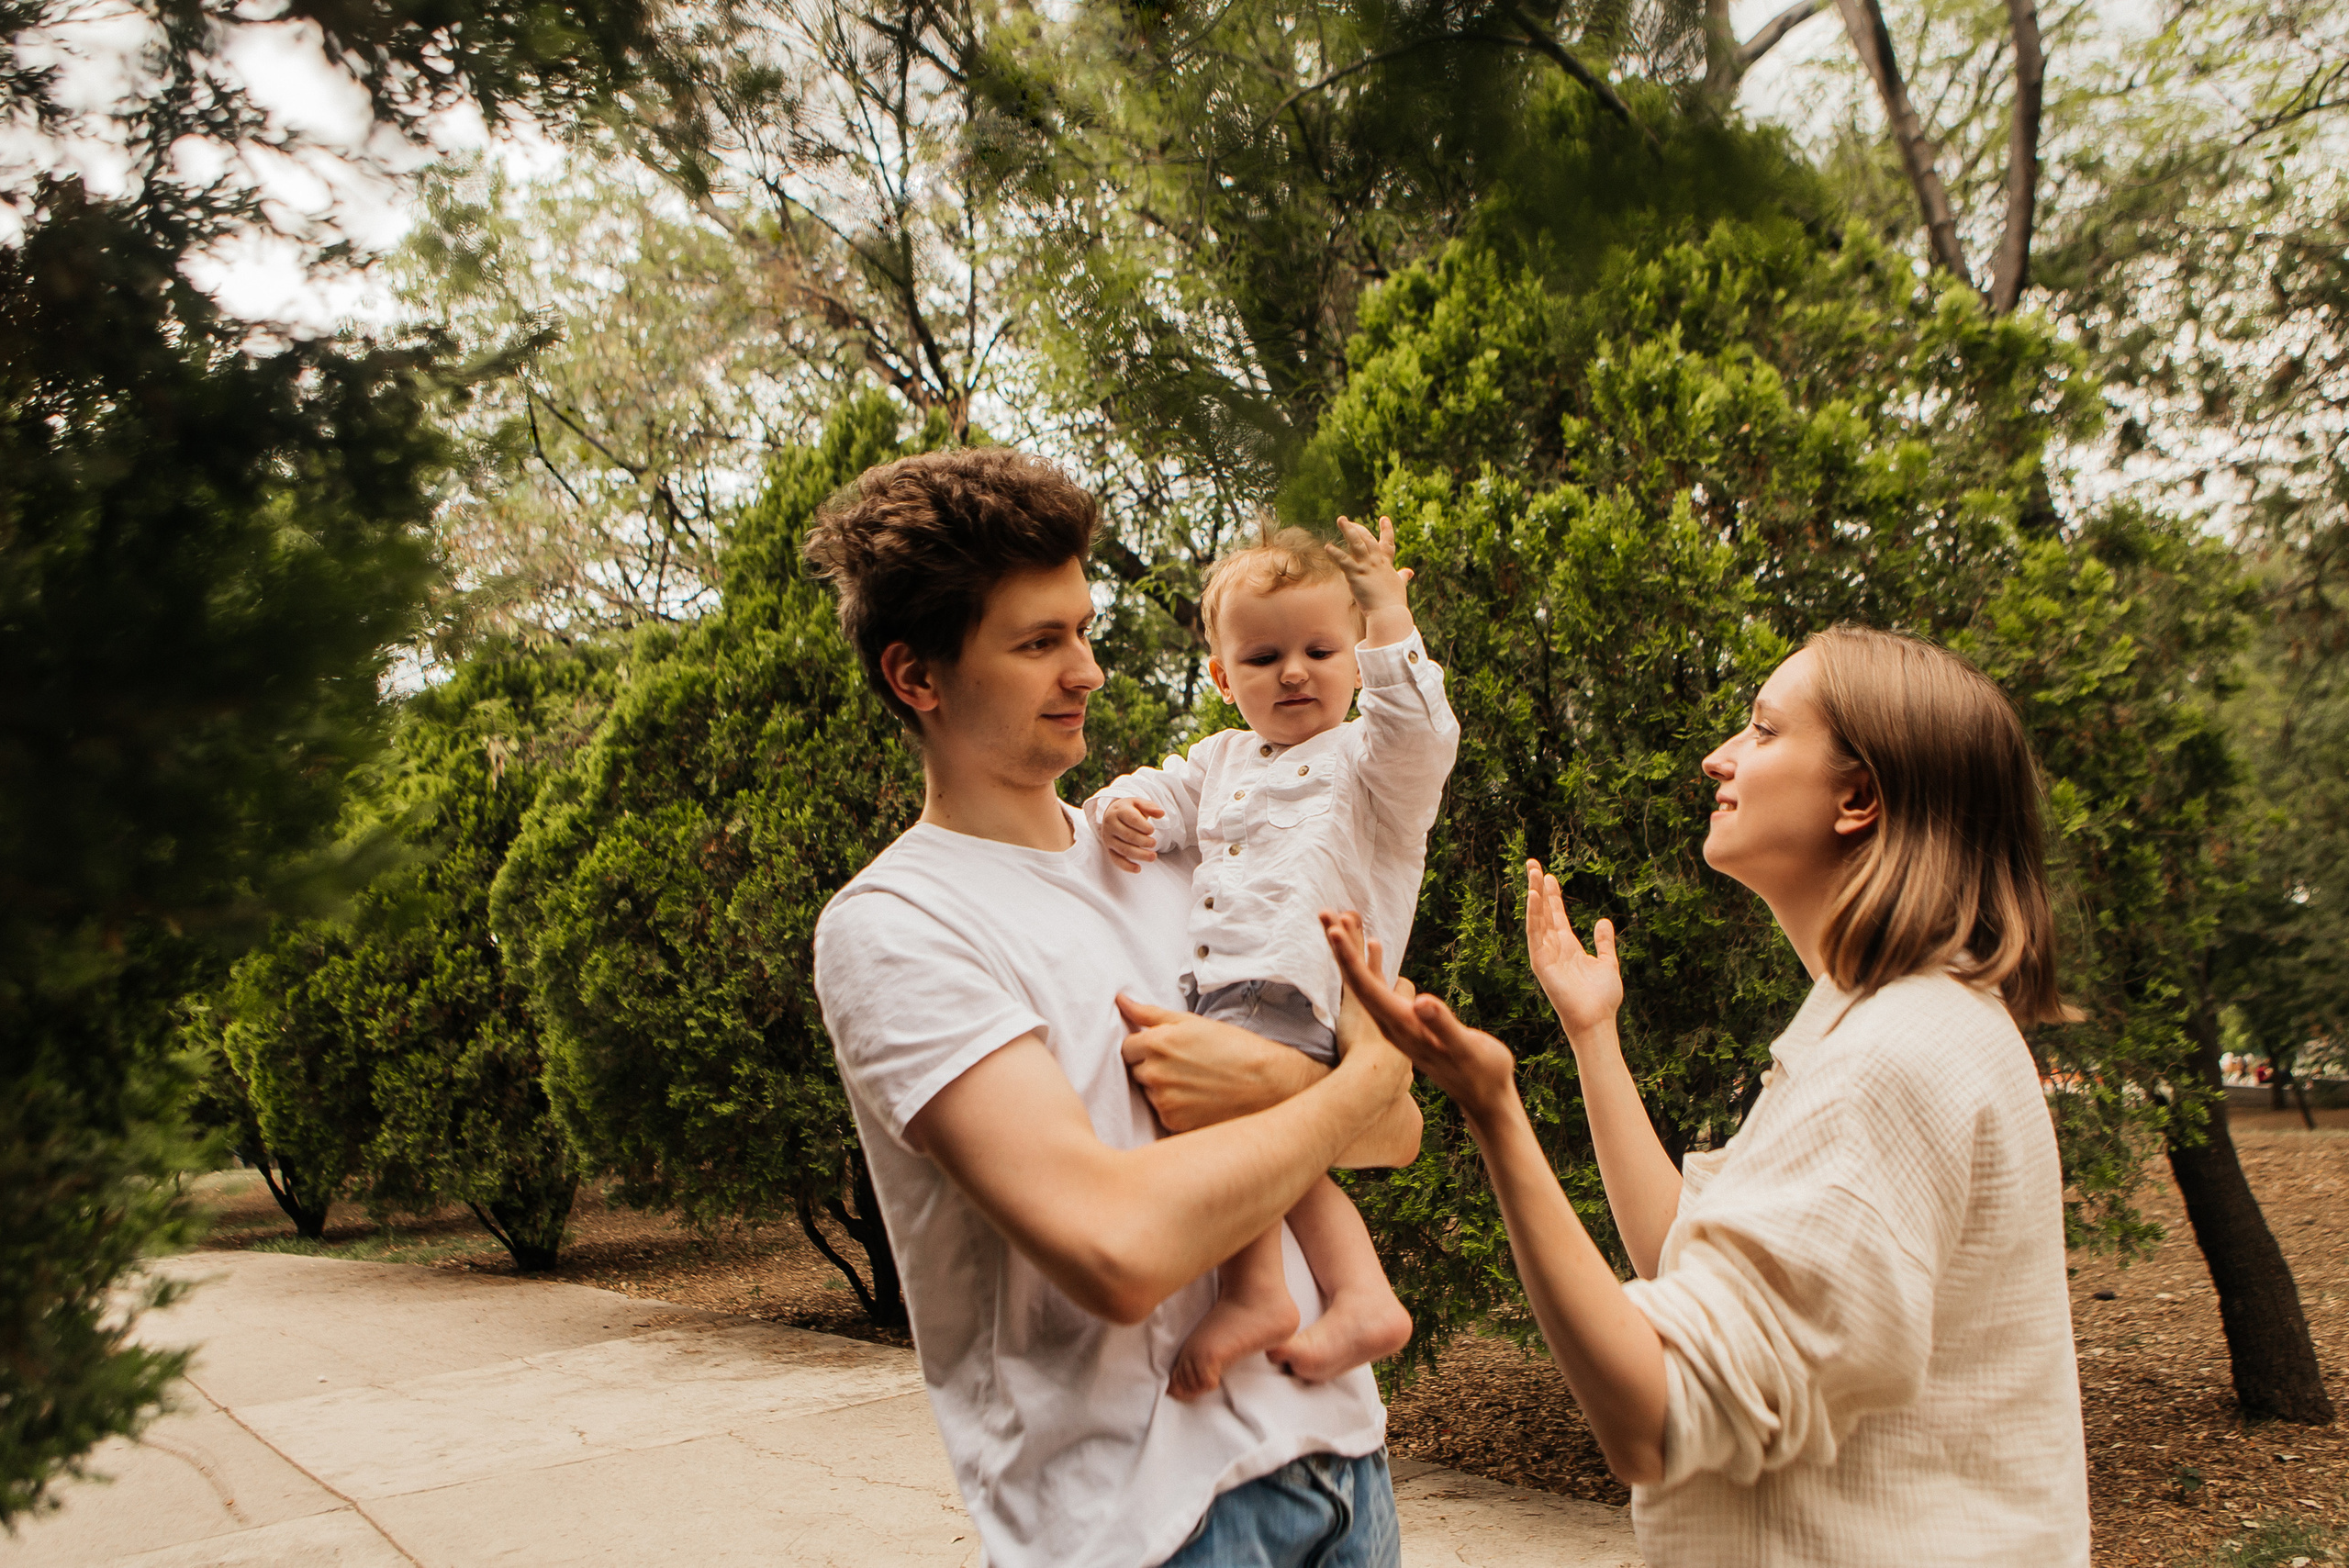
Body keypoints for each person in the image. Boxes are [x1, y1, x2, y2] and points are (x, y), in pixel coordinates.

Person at [1324, 626, 2092, 1566]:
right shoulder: (1882, 1026)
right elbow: (1683, 1253)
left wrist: (1493, 1109)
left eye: (1763, 731)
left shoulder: (1893, 1059)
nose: (1717, 757)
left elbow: (1655, 1412)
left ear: (1857, 796)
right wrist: (1592, 1035)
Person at [806, 448, 1423, 1568]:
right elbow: (1118, 1247)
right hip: (1149, 1528)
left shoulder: (1176, 854)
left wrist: (1319, 1087)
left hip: (1343, 1468)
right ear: (918, 677)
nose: (1085, 671)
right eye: (1038, 643)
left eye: (1083, 630)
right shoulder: (898, 924)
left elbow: (1394, 1131)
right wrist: (1358, 1084)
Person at [1087, 516, 1459, 1400]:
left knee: (1231, 1127)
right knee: (1279, 1151)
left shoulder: (1370, 761)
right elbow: (1162, 792)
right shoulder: (1221, 759)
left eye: (1321, 649)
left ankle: (1258, 1293)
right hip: (1228, 990)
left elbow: (1420, 736)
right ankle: (1361, 1294)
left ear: (1356, 658)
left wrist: (1389, 622)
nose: (1294, 671)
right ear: (1221, 677)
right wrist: (1119, 808)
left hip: (1304, 983)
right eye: (1263, 659)